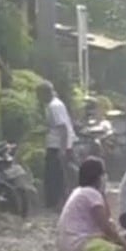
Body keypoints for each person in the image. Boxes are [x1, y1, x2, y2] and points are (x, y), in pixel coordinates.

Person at [37, 81, 75, 210]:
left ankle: (57, 203)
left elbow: (63, 127)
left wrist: (63, 149)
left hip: (57, 145)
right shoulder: (54, 104)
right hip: (56, 144)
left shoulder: (54, 106)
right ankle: (55, 203)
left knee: (55, 176)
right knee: (55, 175)